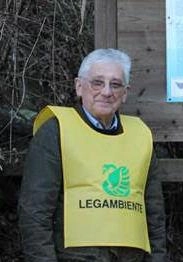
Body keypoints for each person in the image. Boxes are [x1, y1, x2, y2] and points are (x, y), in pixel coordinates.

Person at [18, 48, 167, 261]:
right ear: (79, 86)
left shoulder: (140, 136)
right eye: (97, 82)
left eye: (115, 84)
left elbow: (155, 215)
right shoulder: (56, 130)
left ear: (125, 93)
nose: (106, 92)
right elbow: (35, 212)